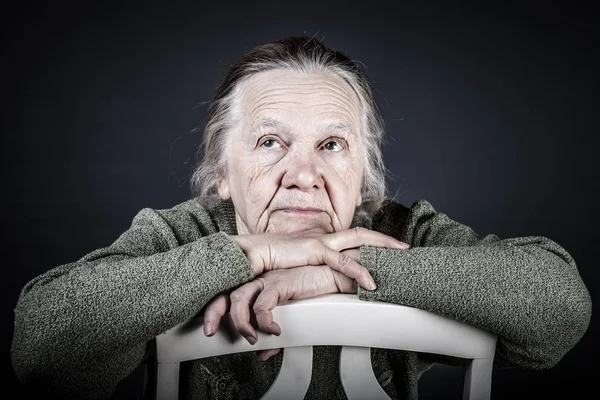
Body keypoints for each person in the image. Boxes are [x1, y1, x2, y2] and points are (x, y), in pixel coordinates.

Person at [11, 35, 592, 400]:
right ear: (221, 173)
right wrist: (249, 255)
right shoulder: (184, 236)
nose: (304, 174)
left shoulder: (396, 230)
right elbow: (43, 354)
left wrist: (343, 269)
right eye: (270, 142)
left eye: (333, 145)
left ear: (365, 174)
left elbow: (560, 307)